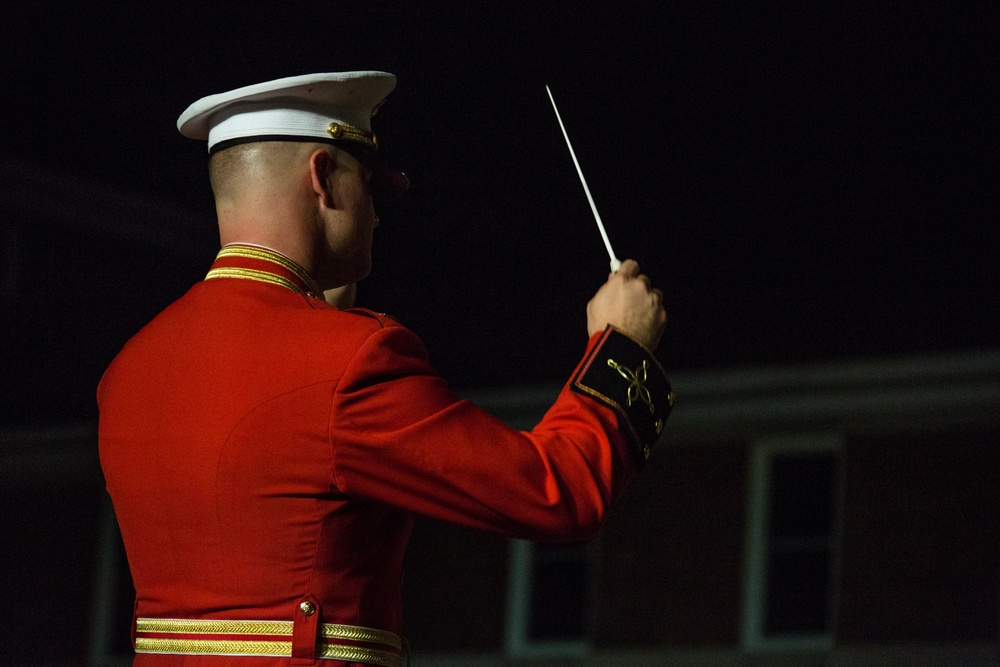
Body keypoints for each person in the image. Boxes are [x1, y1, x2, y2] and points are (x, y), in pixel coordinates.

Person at [98, 71, 672, 667]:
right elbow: (560, 492)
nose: (376, 214)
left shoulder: (127, 367)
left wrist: (315, 313)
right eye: (369, 183)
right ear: (322, 177)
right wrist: (621, 345)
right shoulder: (351, 360)